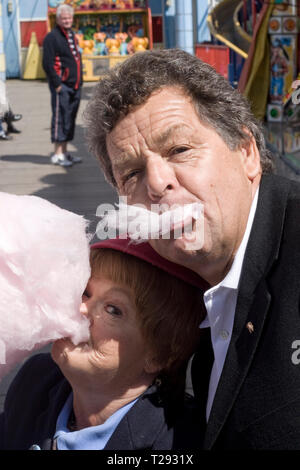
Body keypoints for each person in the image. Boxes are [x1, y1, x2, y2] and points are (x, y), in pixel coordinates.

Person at [85, 48, 300, 450]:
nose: (157, 182)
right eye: (131, 173)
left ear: (246, 152)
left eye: (179, 150)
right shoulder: (181, 292)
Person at [0, 237, 207, 450]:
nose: (80, 309)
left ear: (158, 354)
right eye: (84, 293)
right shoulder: (37, 381)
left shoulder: (180, 440)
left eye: (113, 310)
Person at [42, 4, 82, 167]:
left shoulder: (72, 35)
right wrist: (57, 84)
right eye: (64, 18)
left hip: (75, 85)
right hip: (62, 86)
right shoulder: (52, 37)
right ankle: (57, 154)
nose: (67, 21)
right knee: (60, 118)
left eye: (69, 18)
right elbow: (47, 63)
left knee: (70, 118)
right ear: (58, 19)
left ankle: (65, 152)